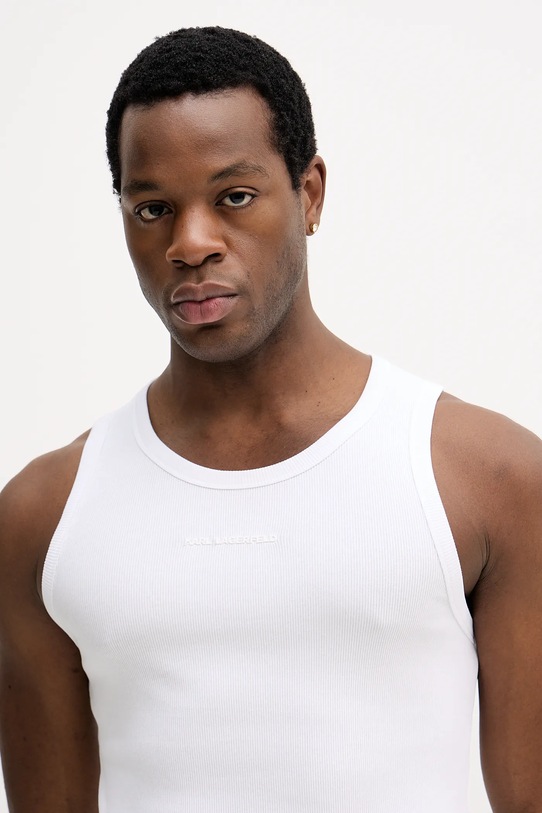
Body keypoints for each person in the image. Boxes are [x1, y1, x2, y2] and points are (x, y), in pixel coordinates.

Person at [0, 25, 541, 813]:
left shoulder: (488, 478)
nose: (190, 243)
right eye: (152, 208)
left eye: (234, 197)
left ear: (310, 193)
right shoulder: (42, 519)